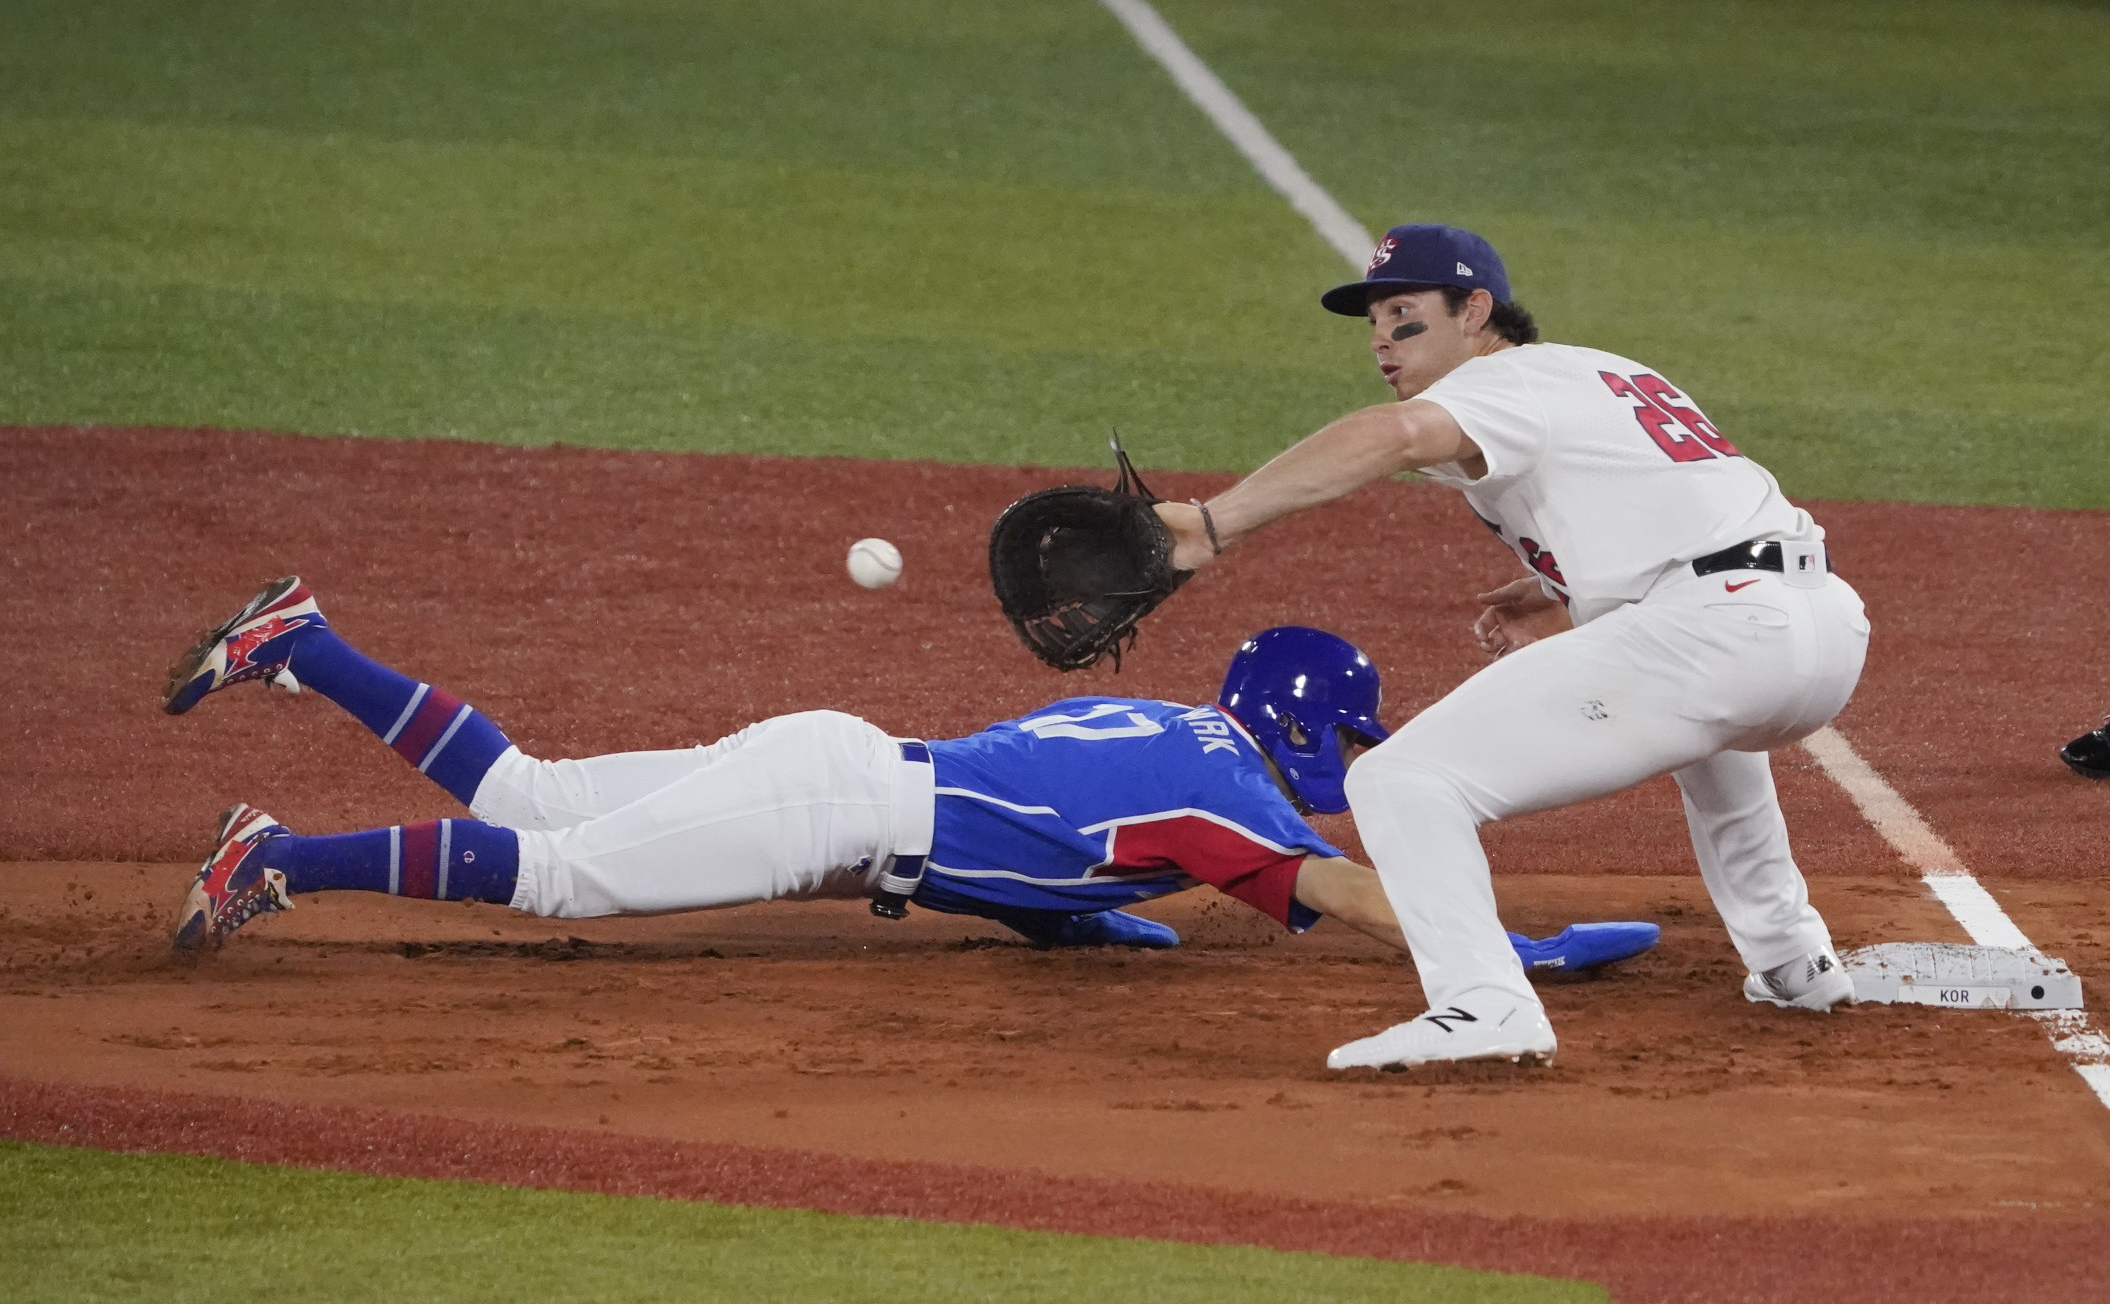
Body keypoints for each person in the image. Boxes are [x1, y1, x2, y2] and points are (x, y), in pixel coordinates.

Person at [1154, 223, 1870, 1071]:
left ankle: (1481, 1002)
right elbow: (1675, 500)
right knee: (1709, 737)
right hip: (1819, 623)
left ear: (1476, 311)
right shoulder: (1600, 370)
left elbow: (1394, 435)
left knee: (1400, 778)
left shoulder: (1504, 382)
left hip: (1721, 627)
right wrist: (1567, 592)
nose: (1382, 339)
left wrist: (1213, 523)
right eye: (1373, 321)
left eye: (1406, 315)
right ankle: (1793, 958)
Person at [161, 578, 1657, 976]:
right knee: (555, 868)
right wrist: (1500, 952)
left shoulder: (1176, 730)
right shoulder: (1239, 804)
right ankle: (276, 857)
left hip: (842, 767)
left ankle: (306, 642)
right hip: (842, 806)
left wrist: (1063, 917)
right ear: (1320, 728)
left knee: (535, 795)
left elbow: (1041, 826)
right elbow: (1334, 885)